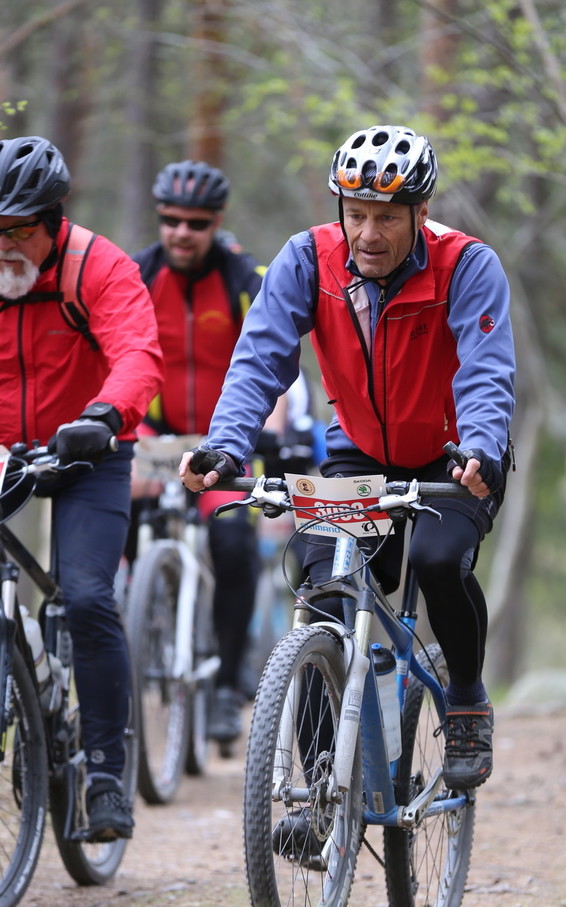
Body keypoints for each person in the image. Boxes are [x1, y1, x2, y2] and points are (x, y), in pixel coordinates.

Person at [180, 123, 516, 797]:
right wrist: (225, 443)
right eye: (356, 214)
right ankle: (318, 793)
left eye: (387, 217)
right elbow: (259, 361)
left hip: (454, 457)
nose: (368, 232)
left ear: (421, 214)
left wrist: (481, 448)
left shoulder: (467, 265)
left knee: (435, 561)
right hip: (358, 451)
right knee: (326, 592)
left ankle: (468, 698)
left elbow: (485, 374)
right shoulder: (308, 259)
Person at [0, 135, 163, 840]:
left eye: (17, 232)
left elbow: (137, 353)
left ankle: (103, 771)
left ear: (53, 219)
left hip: (87, 446)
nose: (3, 246)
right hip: (5, 449)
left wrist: (102, 416)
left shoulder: (99, 265)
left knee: (90, 595)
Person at [131, 159, 268, 747]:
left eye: (195, 223)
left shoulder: (241, 277)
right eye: (170, 220)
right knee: (116, 532)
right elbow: (119, 358)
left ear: (216, 223)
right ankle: (139, 639)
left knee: (234, 546)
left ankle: (222, 689)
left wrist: (273, 435)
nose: (180, 232)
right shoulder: (137, 274)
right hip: (155, 440)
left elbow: (272, 364)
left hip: (222, 447)